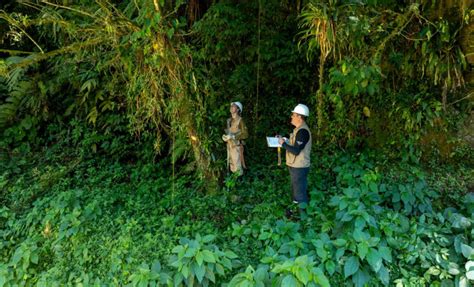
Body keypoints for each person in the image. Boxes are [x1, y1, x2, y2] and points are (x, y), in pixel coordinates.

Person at [278, 104, 312, 212]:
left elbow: (296, 151)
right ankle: (295, 214)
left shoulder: (303, 132)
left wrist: (283, 144)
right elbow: (295, 145)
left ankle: (304, 219)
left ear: (300, 117)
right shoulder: (298, 130)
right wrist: (284, 140)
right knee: (295, 192)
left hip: (299, 167)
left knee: (299, 194)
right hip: (295, 166)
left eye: (293, 115)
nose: (291, 117)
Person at [222, 101, 248, 176]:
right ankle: (233, 182)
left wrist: (233, 136)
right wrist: (225, 137)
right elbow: (229, 131)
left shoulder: (240, 120)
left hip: (237, 146)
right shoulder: (229, 120)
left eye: (234, 106)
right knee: (231, 165)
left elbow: (245, 134)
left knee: (237, 165)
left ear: (238, 109)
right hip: (230, 146)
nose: (231, 107)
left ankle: (240, 182)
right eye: (231, 106)